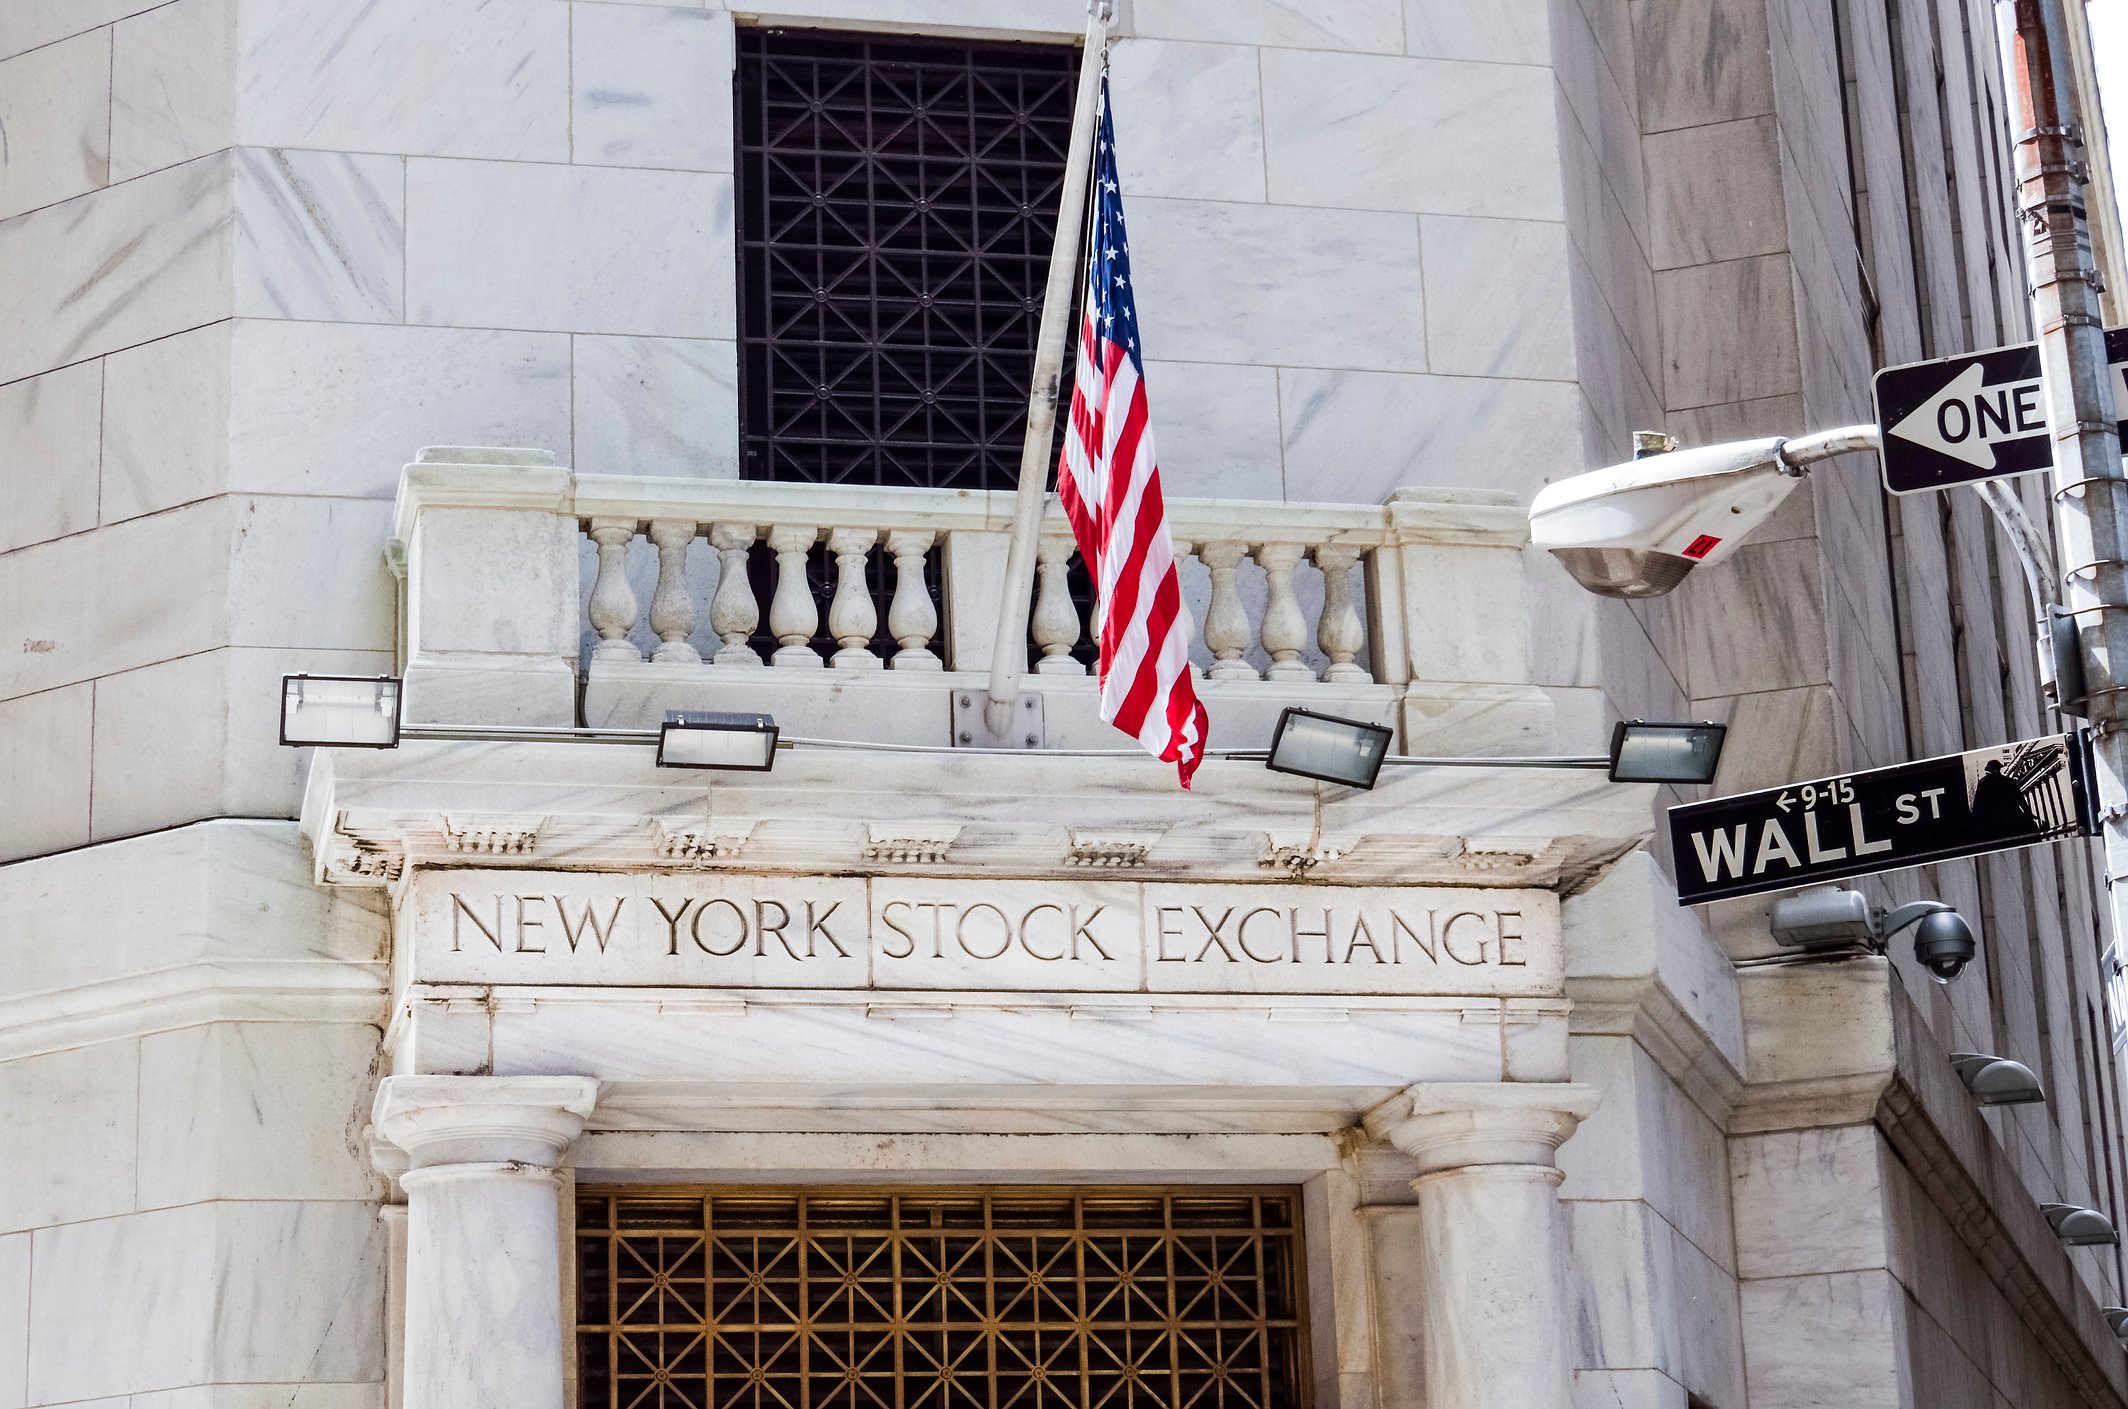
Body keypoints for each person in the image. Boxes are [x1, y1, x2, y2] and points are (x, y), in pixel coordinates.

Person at [1970, 758, 2043, 836]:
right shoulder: (2008, 781)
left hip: (1993, 821)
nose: (1997, 770)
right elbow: (2020, 799)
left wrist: (1976, 823)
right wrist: (2028, 813)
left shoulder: (1983, 782)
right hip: (2011, 816)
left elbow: (1978, 805)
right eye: (1997, 769)